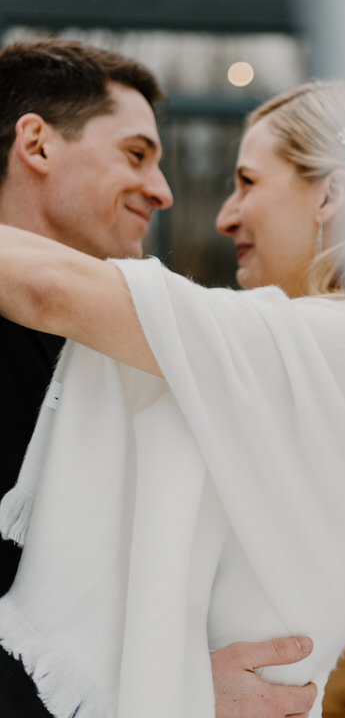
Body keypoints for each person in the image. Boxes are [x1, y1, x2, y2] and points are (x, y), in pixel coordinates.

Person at [0, 79, 345, 718]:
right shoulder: (331, 351)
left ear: (331, 194)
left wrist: (168, 681)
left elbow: (50, 287)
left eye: (248, 181)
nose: (224, 215)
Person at [0, 40, 318, 718]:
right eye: (136, 154)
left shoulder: (132, 348)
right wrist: (166, 688)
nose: (164, 191)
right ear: (37, 144)